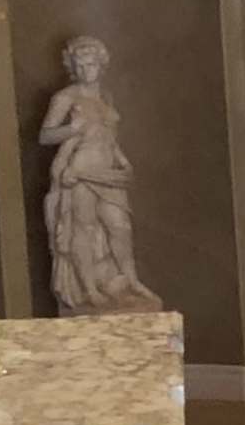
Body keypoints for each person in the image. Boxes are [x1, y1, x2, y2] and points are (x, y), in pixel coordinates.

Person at [38, 34, 162, 314]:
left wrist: (123, 161)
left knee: (120, 227)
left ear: (100, 64)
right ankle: (90, 290)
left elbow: (107, 136)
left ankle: (130, 280)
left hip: (107, 171)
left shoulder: (105, 96)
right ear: (72, 67)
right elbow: (45, 136)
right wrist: (72, 128)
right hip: (81, 170)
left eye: (90, 64)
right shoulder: (66, 97)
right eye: (79, 65)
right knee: (84, 227)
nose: (85, 70)